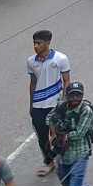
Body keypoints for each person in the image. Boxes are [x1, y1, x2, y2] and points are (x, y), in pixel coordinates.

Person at [47, 82, 93, 186]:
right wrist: (54, 132)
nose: (75, 98)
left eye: (78, 95)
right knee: (66, 183)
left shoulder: (86, 111)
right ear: (67, 96)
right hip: (64, 154)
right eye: (72, 95)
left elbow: (79, 133)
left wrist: (63, 135)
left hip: (80, 153)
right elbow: (49, 119)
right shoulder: (61, 107)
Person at [27, 30, 72, 178]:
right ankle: (49, 162)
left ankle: (64, 160)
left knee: (58, 134)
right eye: (34, 43)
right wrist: (31, 104)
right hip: (38, 105)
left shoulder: (60, 59)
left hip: (55, 104)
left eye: (38, 43)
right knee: (42, 136)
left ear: (47, 43)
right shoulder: (31, 62)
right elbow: (33, 83)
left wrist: (65, 102)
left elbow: (66, 81)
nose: (35, 46)